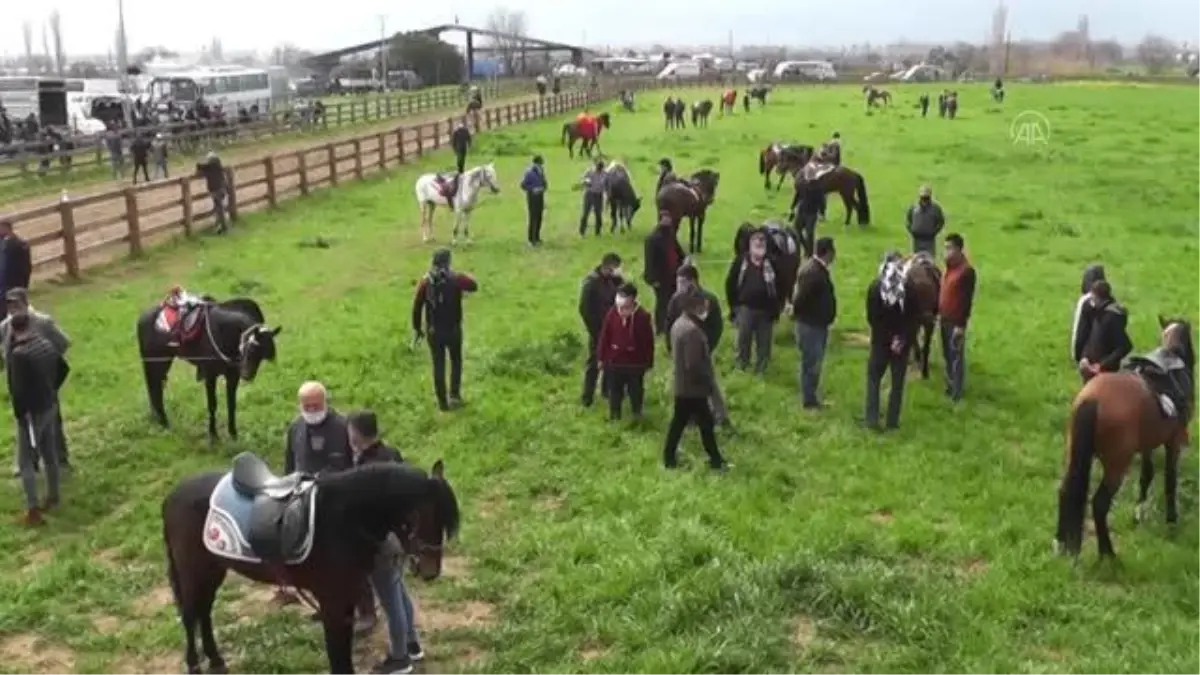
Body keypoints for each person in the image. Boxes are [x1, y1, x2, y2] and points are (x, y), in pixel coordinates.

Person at [347, 410, 425, 675]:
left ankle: (400, 658)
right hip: (398, 537)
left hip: (379, 541)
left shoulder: (367, 468)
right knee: (399, 591)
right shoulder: (392, 454)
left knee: (391, 600)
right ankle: (413, 644)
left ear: (356, 433)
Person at [2, 288, 71, 474]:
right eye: (9, 305)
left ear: (25, 303)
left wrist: (48, 366)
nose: (13, 309)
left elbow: (63, 343)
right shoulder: (5, 326)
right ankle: (28, 461)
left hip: (43, 383)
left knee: (52, 421)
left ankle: (60, 458)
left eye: (16, 304)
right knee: (23, 422)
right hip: (19, 384)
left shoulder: (42, 322)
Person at [7, 311, 65, 526]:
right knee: (49, 454)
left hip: (32, 414)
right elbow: (62, 368)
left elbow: (18, 390)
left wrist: (21, 416)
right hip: (50, 405)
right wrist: (51, 389)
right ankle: (53, 496)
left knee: (26, 462)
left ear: (13, 329)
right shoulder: (45, 343)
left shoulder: (19, 354)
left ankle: (32, 510)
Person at [664, 291, 729, 471]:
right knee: (705, 425)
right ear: (696, 307)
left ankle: (669, 458)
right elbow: (693, 363)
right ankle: (716, 461)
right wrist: (707, 383)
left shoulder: (679, 324)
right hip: (694, 388)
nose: (706, 310)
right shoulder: (692, 331)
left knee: (680, 423)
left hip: (682, 385)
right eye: (705, 306)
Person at [412, 249, 478, 411]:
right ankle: (454, 395)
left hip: (434, 330)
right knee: (456, 361)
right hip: (453, 329)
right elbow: (473, 286)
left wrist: (417, 328)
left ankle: (442, 403)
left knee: (438, 364)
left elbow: (416, 306)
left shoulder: (425, 281)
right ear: (448, 262)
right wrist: (458, 274)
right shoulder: (455, 279)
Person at [667, 264, 730, 426]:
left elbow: (717, 326)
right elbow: (669, 324)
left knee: (708, 381)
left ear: (693, 281)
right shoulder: (676, 299)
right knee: (683, 385)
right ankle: (691, 418)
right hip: (681, 350)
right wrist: (671, 347)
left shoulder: (709, 299)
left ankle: (719, 414)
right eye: (677, 281)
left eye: (682, 281)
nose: (678, 285)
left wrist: (709, 346)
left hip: (702, 348)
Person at [863, 254, 920, 431]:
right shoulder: (910, 288)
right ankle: (892, 422)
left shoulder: (875, 287)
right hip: (901, 346)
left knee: (873, 379)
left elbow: (872, 318)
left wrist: (887, 338)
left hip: (880, 343)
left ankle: (872, 418)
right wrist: (901, 338)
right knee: (897, 383)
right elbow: (913, 319)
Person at [596, 283, 655, 420]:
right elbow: (605, 336)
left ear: (632, 298)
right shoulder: (612, 313)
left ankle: (636, 414)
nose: (620, 299)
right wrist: (601, 357)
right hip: (615, 361)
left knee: (635, 390)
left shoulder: (642, 316)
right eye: (619, 295)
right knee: (615, 391)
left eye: (624, 296)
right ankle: (614, 416)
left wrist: (648, 361)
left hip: (635, 363)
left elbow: (648, 341)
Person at [792, 237, 837, 409]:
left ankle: (811, 397)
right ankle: (809, 401)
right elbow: (801, 298)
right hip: (810, 326)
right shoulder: (813, 272)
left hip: (816, 324)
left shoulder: (816, 269)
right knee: (811, 364)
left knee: (813, 363)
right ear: (828, 253)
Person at [725, 231, 779, 375]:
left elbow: (781, 286)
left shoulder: (772, 263)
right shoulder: (740, 262)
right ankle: (742, 366)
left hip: (766, 311)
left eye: (762, 242)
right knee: (743, 340)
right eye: (756, 241)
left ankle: (762, 369)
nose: (759, 244)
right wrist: (733, 307)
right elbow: (730, 284)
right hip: (745, 309)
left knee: (764, 343)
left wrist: (776, 310)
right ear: (750, 245)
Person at [578, 253, 623, 407]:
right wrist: (595, 331)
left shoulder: (611, 281)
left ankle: (606, 390)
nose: (614, 272)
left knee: (611, 361)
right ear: (605, 266)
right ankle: (587, 397)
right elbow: (584, 309)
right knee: (594, 363)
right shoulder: (591, 283)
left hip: (611, 328)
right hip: (597, 330)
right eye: (612, 269)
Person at [938, 233, 977, 401]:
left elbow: (966, 301)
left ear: (959, 249)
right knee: (947, 354)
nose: (946, 252)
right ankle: (950, 384)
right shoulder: (949, 267)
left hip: (955, 321)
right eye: (945, 248)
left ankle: (957, 392)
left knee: (956, 356)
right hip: (944, 317)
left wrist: (961, 325)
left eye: (949, 248)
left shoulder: (966, 272)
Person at [1074, 279, 1132, 383]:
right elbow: (1090, 337)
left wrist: (1101, 365)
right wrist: (1085, 357)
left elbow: (1125, 346)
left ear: (1098, 297)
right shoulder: (1097, 312)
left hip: (1106, 374)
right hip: (1091, 369)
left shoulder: (1112, 317)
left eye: (1093, 298)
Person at [643, 212, 686, 334]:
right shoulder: (652, 239)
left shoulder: (670, 235)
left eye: (670, 219)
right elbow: (650, 261)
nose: (668, 222)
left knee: (673, 300)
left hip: (674, 275)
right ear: (660, 220)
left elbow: (678, 251)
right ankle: (660, 327)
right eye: (666, 220)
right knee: (662, 302)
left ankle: (672, 324)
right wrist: (653, 279)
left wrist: (685, 260)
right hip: (660, 278)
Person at [1070, 264, 1106, 361]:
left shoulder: (1085, 301)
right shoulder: (1110, 298)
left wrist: (1077, 355)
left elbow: (1080, 331)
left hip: (1090, 357)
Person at [0, 218, 32, 321]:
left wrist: (24, 285)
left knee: (15, 313)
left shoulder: (20, 245)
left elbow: (26, 268)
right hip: (3, 285)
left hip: (13, 285)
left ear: (6, 228)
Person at [905, 184, 945, 256]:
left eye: (926, 198)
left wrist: (934, 232)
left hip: (929, 240)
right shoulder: (913, 207)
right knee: (916, 260)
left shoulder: (936, 208)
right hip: (917, 240)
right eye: (923, 197)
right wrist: (912, 230)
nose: (924, 200)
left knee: (929, 260)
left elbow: (941, 222)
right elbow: (908, 220)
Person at [195, 151, 229, 233]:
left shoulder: (208, 167)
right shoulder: (218, 166)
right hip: (222, 188)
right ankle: (219, 225)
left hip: (215, 189)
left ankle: (222, 226)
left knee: (219, 208)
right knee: (219, 207)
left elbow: (199, 167)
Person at [519, 155, 547, 246]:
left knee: (539, 218)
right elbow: (523, 185)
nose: (540, 166)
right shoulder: (529, 173)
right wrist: (532, 189)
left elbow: (545, 183)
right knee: (533, 218)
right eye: (539, 164)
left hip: (540, 197)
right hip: (532, 198)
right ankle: (531, 239)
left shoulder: (541, 172)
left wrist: (543, 188)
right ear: (535, 163)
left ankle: (537, 237)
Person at [578, 158, 606, 236]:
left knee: (598, 214)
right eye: (598, 167)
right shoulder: (590, 172)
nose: (599, 169)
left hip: (598, 195)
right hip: (589, 194)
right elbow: (583, 179)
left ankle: (598, 231)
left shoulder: (605, 174)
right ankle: (582, 231)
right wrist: (586, 182)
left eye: (600, 168)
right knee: (586, 213)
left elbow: (606, 185)